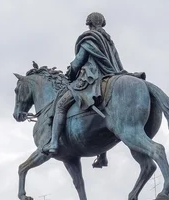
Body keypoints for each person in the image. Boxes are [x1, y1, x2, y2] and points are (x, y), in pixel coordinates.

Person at [44, 12, 128, 168]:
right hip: (112, 75)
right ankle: (102, 156)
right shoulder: (108, 39)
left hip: (91, 77)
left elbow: (79, 61)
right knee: (103, 112)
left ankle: (54, 143)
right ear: (102, 22)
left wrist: (71, 72)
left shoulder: (89, 38)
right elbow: (117, 61)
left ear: (89, 22)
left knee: (61, 105)